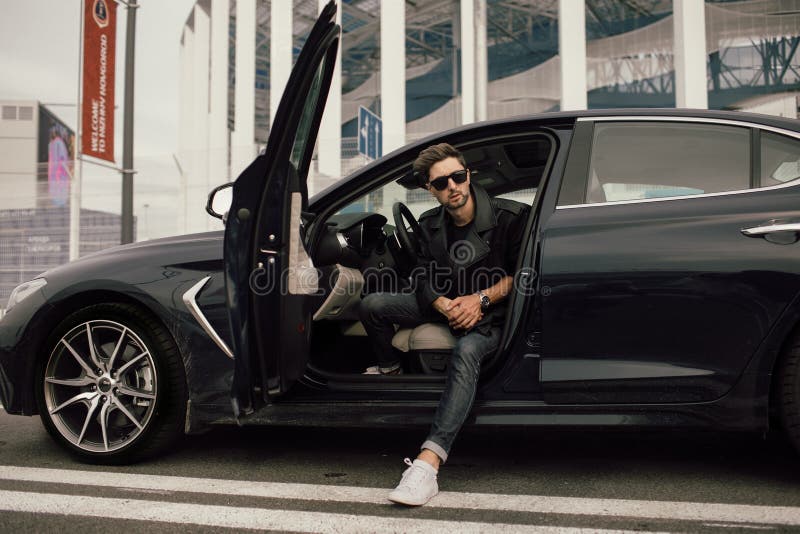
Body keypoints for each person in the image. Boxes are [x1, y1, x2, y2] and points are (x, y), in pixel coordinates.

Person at [358, 143, 530, 506]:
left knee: (467, 350)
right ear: (429, 189)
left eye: (457, 176)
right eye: (441, 183)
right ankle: (389, 369)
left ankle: (428, 464)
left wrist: (480, 299)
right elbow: (421, 273)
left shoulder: (511, 217)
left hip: (494, 314)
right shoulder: (429, 224)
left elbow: (522, 274)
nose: (452, 186)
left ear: (468, 175)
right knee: (372, 304)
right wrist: (439, 301)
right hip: (446, 304)